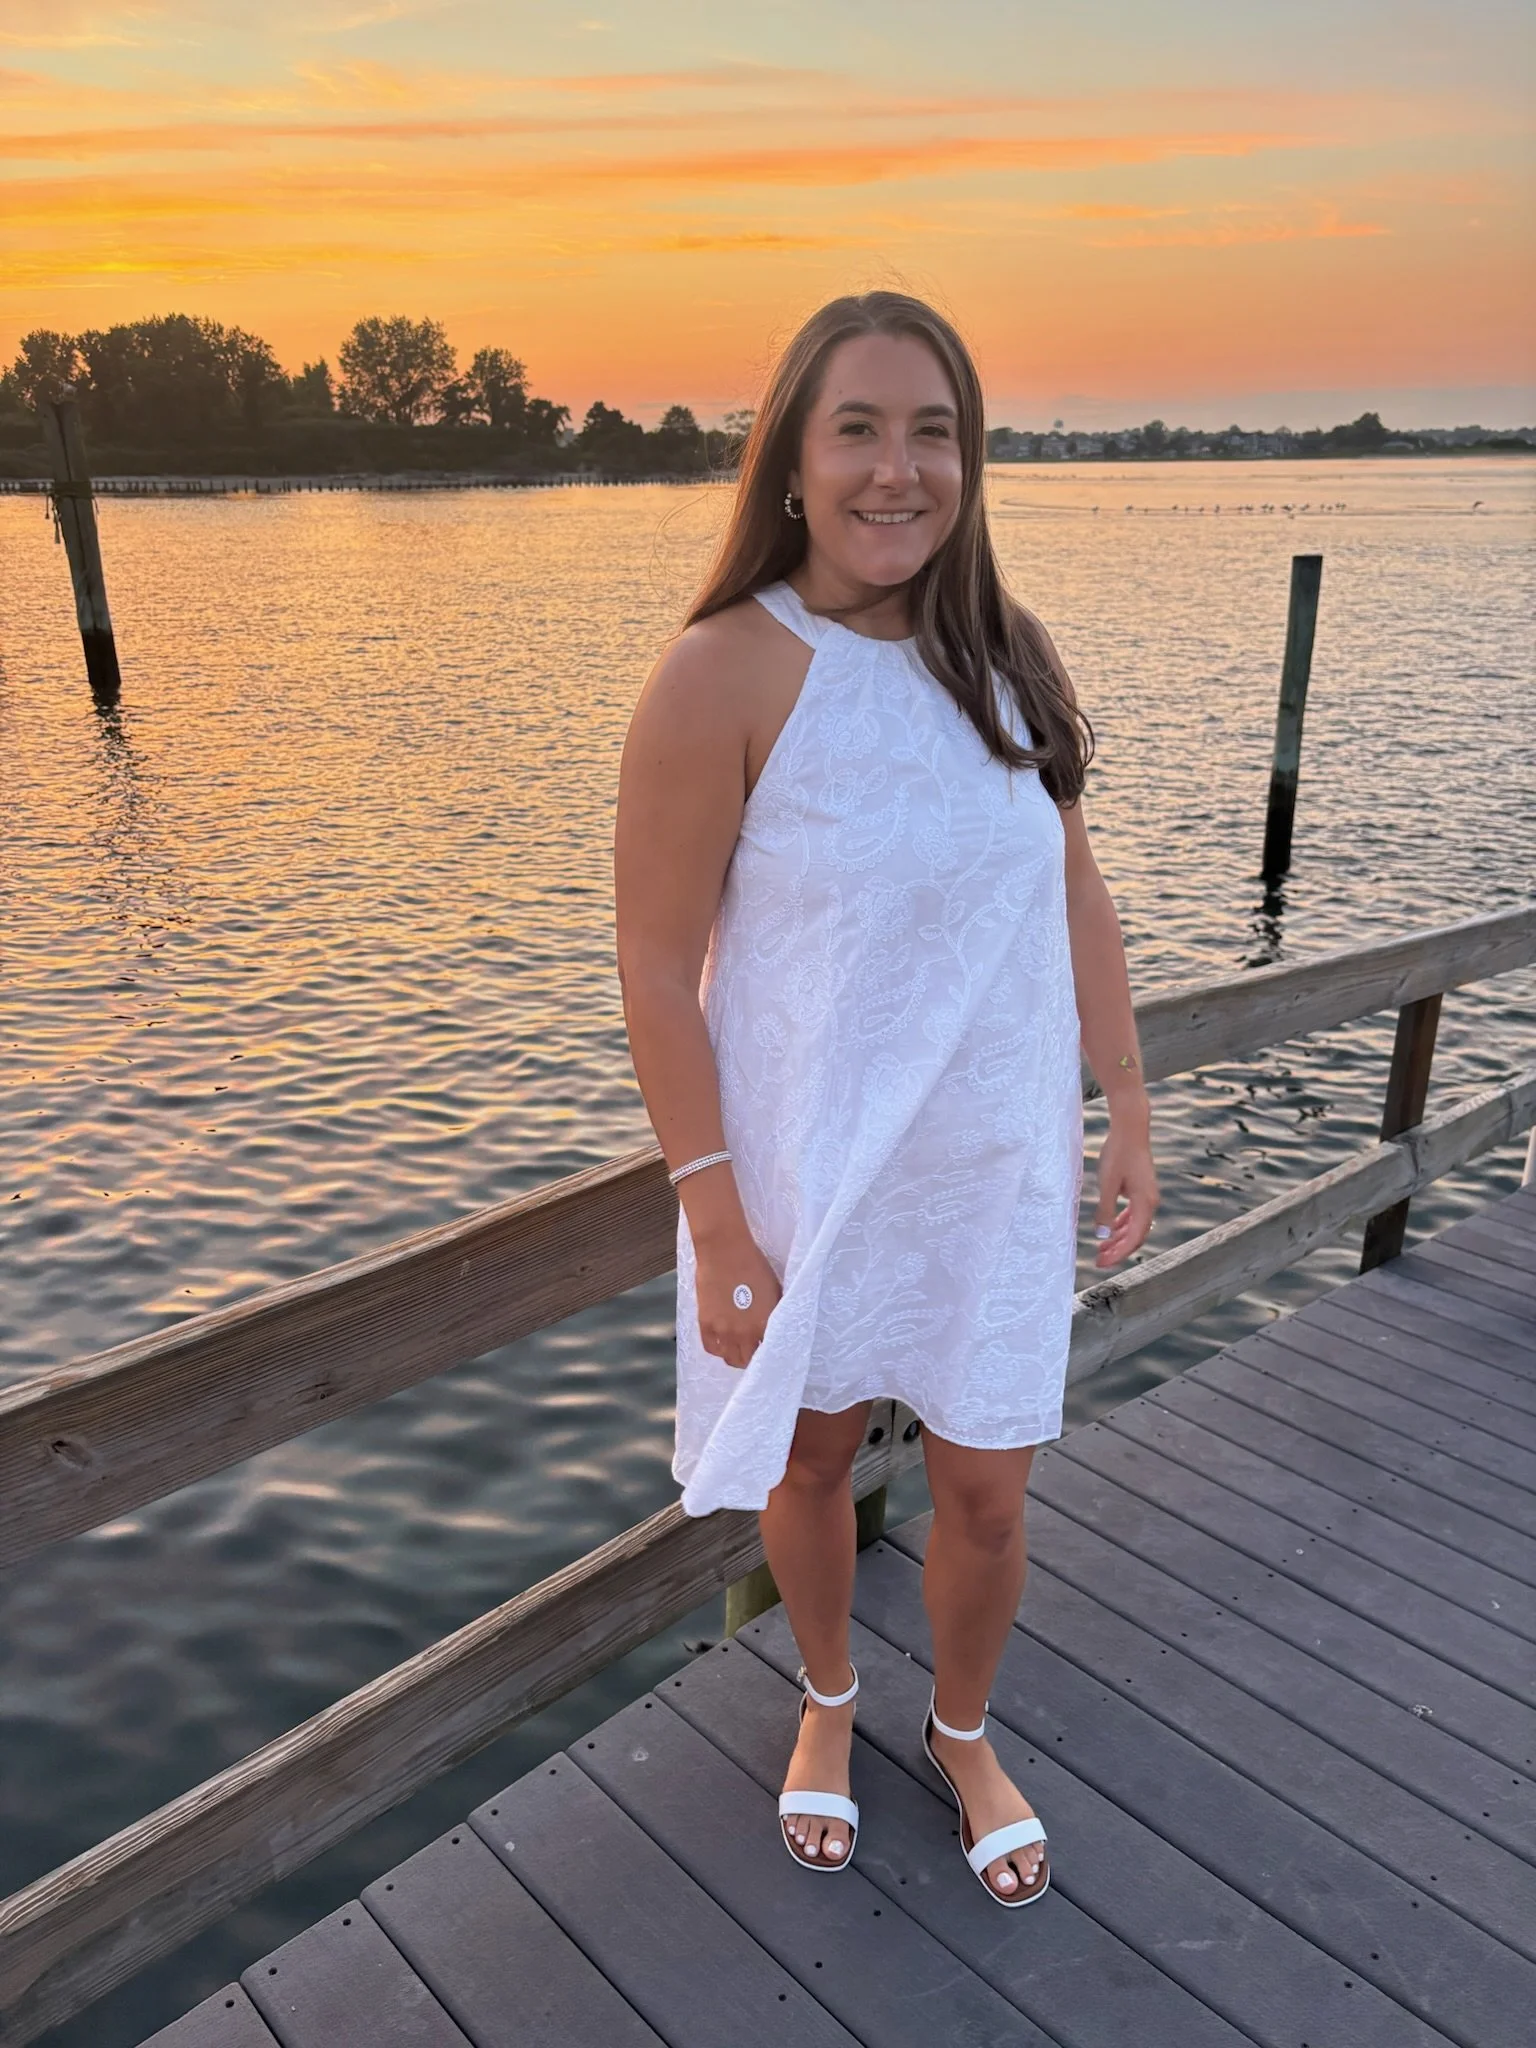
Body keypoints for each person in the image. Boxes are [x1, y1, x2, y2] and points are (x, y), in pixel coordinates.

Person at [613, 291, 1157, 1906]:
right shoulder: (723, 673)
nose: (897, 470)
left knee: (989, 1485)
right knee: (810, 1462)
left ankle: (964, 1729)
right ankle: (832, 1705)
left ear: (970, 462)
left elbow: (1071, 889)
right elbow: (652, 963)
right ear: (790, 459)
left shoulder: (1004, 655)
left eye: (935, 432)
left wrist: (1123, 1098)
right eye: (857, 428)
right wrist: (711, 1205)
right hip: (810, 1174)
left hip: (992, 1169)